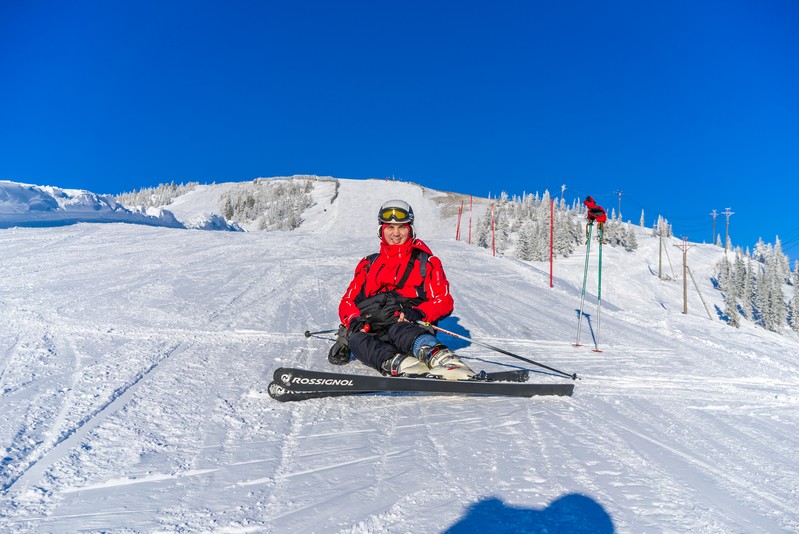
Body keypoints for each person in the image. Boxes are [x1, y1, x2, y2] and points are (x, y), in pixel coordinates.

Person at [328, 199, 474, 380]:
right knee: (358, 340)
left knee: (400, 329)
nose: (396, 233)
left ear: (410, 230)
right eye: (390, 227)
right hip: (376, 328)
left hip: (409, 327)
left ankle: (444, 361)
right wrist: (354, 320)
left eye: (402, 227)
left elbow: (444, 301)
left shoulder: (426, 262)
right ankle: (404, 365)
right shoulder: (368, 264)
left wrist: (420, 312)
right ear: (381, 230)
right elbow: (348, 301)